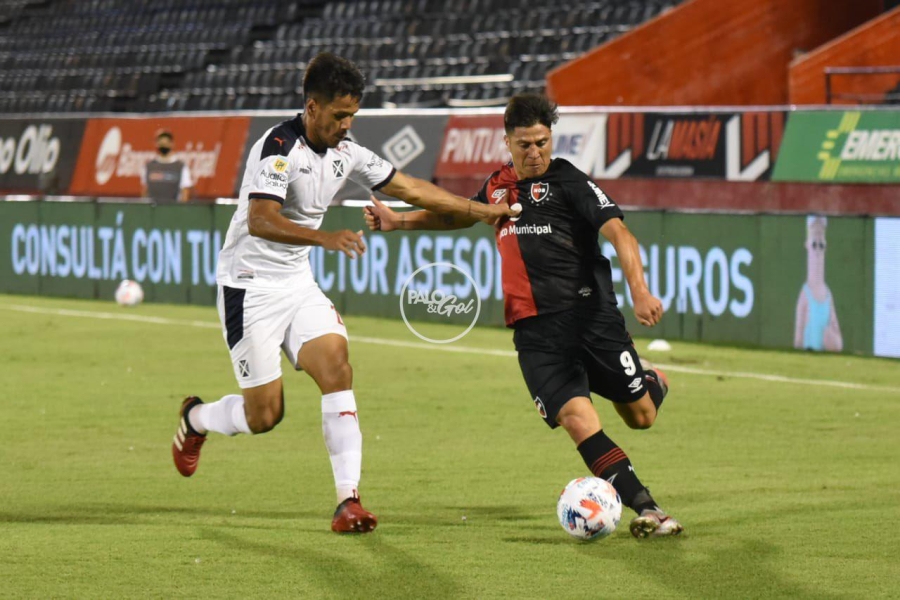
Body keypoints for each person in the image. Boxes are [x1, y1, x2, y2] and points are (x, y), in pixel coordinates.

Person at [171, 53, 515, 534]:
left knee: (337, 367)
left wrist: (479, 211)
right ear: (312, 107)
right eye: (339, 115)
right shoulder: (276, 148)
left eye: (353, 115)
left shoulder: (346, 151)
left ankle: (347, 502)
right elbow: (260, 220)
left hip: (296, 283)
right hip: (249, 286)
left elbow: (411, 188)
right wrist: (324, 237)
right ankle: (197, 418)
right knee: (265, 414)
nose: (346, 124)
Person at [364, 93, 683, 539]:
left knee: (641, 416)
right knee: (577, 420)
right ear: (507, 143)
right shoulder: (497, 186)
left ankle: (652, 381)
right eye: (524, 145)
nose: (535, 153)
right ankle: (649, 508)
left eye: (542, 142)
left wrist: (641, 290)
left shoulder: (570, 182)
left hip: (591, 321)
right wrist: (399, 222)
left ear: (551, 138)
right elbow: (458, 215)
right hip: (536, 335)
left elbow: (620, 233)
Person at [794, 215, 842, 352]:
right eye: (814, 244)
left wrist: (832, 339)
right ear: (807, 245)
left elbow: (837, 339)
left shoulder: (828, 295)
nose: (818, 250)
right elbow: (798, 336)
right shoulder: (805, 294)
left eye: (821, 245)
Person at [141, 130, 192, 204]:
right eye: (161, 143)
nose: (164, 146)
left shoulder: (180, 167)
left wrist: (181, 211)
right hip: (153, 210)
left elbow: (185, 192)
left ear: (172, 144)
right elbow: (145, 191)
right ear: (157, 144)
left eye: (166, 143)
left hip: (172, 210)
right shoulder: (149, 167)